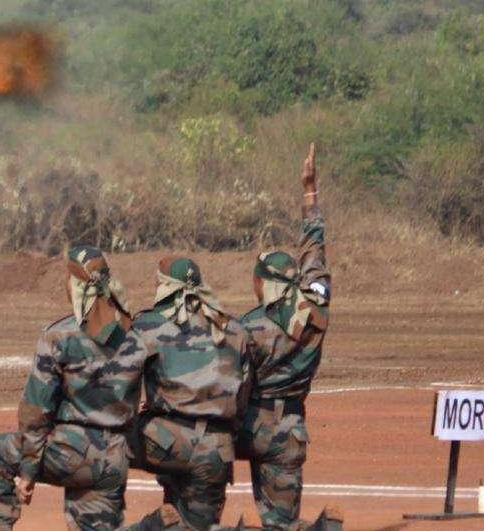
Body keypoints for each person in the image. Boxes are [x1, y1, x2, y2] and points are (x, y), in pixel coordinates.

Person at [0, 245, 146, 531]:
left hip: (73, 453)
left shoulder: (59, 336)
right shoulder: (135, 335)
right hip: (116, 458)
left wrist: (29, 470)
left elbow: (36, 412)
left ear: (75, 284)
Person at [235, 143, 339, 531]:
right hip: (291, 429)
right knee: (281, 522)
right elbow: (314, 250)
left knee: (193, 461)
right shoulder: (316, 308)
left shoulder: (249, 328)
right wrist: (310, 192)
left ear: (264, 284)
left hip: (250, 429)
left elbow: (232, 386)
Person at [124, 257, 252, 531]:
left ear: (165, 286)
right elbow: (243, 398)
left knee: (99, 446)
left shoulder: (147, 326)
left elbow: (122, 389)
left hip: (163, 442)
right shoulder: (235, 329)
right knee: (197, 526)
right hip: (216, 449)